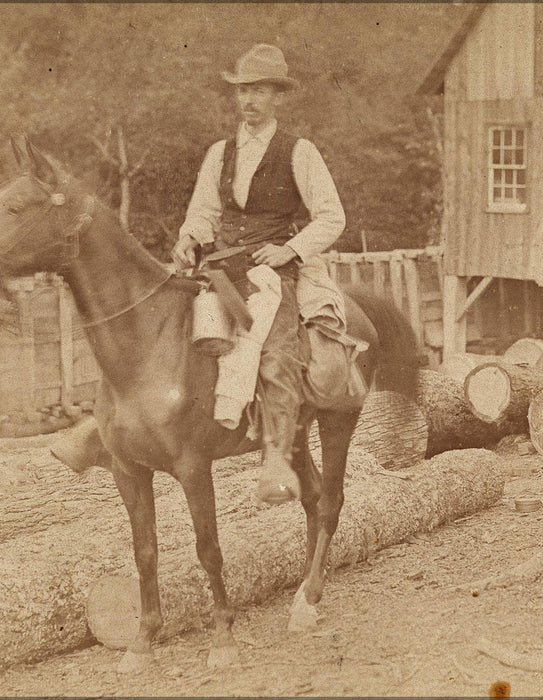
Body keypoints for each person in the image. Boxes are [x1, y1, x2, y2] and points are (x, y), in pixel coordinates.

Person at [172, 44, 346, 505]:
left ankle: (276, 458)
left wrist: (289, 249)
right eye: (243, 90)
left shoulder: (299, 151)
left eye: (259, 91)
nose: (249, 100)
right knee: (166, 327)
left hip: (273, 272)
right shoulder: (220, 153)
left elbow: (331, 217)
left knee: (275, 353)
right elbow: (203, 214)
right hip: (220, 268)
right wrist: (189, 237)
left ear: (278, 98)